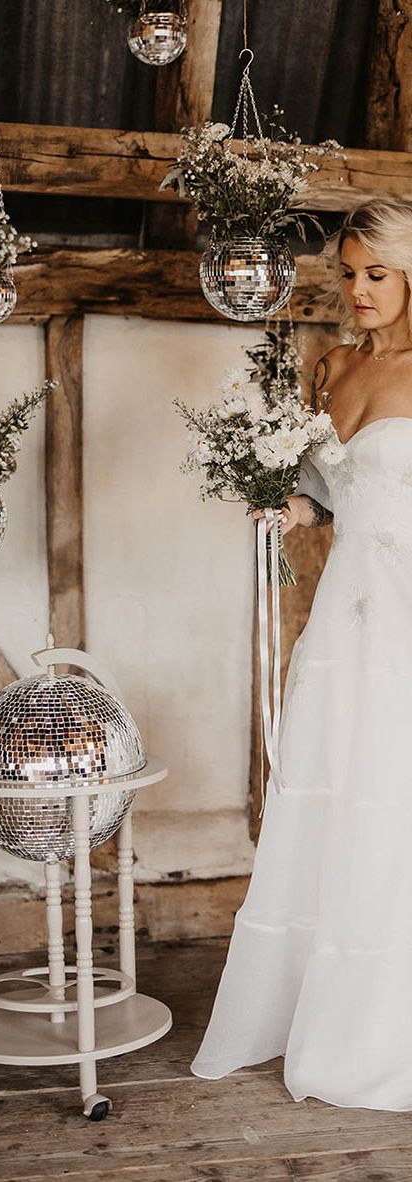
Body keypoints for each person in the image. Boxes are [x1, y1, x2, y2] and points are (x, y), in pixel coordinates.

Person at [190, 198, 412, 1110]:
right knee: (340, 793)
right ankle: (327, 1005)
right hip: (345, 616)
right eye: (347, 274)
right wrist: (294, 508)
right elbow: (330, 489)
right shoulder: (329, 366)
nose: (356, 292)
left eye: (376, 275)